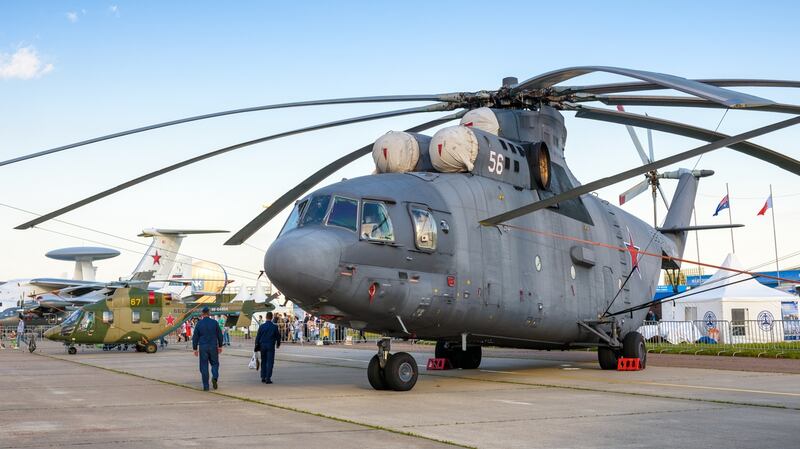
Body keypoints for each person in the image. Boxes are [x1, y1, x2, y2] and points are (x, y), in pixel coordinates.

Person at [192, 307, 223, 391]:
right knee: (215, 364)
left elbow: (195, 337)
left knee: (204, 366)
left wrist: (195, 348)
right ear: (209, 313)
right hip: (213, 346)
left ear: (202, 313)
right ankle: (215, 377)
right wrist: (220, 346)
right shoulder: (214, 323)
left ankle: (206, 386)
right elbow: (220, 335)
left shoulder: (199, 323)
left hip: (203, 347)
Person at [255, 311, 281, 384]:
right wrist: (278, 344)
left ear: (266, 317)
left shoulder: (261, 326)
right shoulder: (274, 327)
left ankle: (263, 377)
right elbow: (278, 337)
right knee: (270, 362)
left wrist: (256, 346)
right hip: (270, 346)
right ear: (272, 317)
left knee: (263, 361)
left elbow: (258, 337)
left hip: (262, 346)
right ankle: (268, 378)